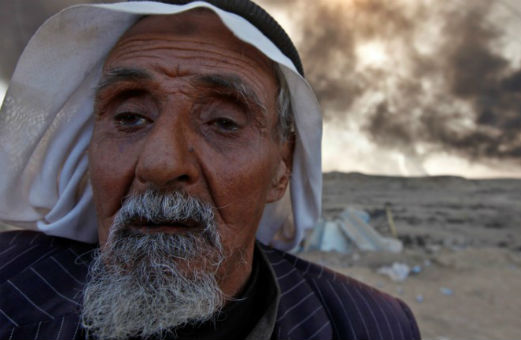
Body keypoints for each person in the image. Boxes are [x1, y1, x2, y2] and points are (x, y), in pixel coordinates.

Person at [0, 1, 421, 339]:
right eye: (130, 117)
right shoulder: (8, 288)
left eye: (223, 122)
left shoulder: (371, 325)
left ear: (281, 167)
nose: (161, 164)